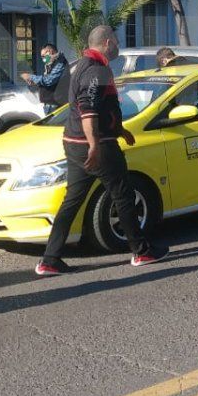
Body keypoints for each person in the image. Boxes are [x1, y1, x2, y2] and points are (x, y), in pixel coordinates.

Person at [36, 25, 168, 276]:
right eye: (116, 41)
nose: (119, 45)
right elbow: (88, 108)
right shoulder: (95, 70)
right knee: (123, 194)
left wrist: (120, 130)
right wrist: (95, 145)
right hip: (96, 145)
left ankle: (49, 260)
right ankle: (141, 251)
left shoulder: (84, 66)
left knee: (72, 201)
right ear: (107, 42)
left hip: (76, 143)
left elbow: (100, 107)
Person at [21, 44, 70, 115]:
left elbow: (49, 80)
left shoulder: (60, 63)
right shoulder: (51, 63)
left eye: (43, 56)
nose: (43, 59)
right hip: (50, 105)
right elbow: (46, 81)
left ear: (50, 52)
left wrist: (31, 77)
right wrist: (35, 83)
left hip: (56, 105)